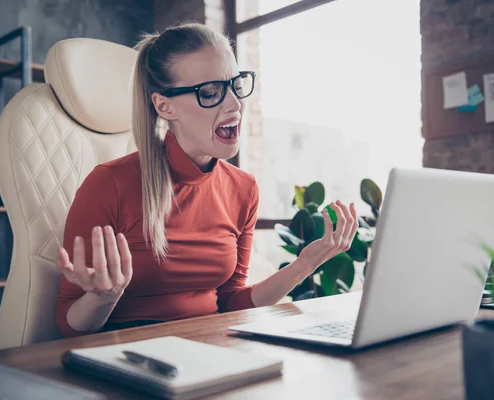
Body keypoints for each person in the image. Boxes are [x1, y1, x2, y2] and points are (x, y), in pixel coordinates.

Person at [54, 22, 358, 338]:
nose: (234, 104)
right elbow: (66, 321)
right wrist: (103, 298)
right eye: (210, 93)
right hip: (133, 354)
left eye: (236, 85)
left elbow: (229, 303)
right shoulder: (109, 184)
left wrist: (304, 265)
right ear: (164, 106)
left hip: (214, 346)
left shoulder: (244, 189)